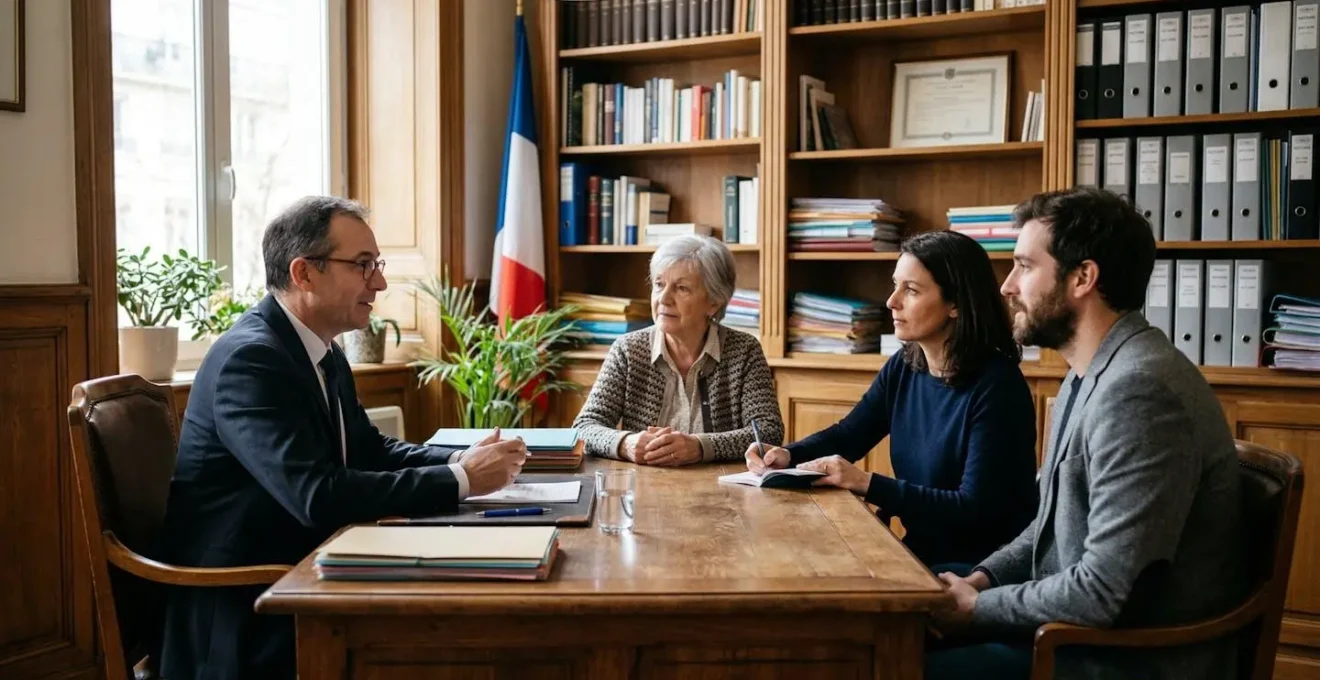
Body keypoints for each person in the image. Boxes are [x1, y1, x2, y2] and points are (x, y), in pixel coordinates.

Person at [156, 196, 528, 680]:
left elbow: (369, 450)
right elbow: (317, 496)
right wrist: (461, 479)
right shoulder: (251, 361)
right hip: (248, 609)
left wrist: (462, 457)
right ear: (303, 273)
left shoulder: (321, 349)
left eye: (378, 264)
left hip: (310, 571)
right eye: (363, 265)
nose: (380, 281)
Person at [927, 187, 1248, 680]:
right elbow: (1050, 524)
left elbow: (1101, 590)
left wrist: (976, 609)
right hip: (1070, 633)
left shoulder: (1139, 392)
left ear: (1082, 278)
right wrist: (980, 579)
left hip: (1120, 658)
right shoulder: (1090, 371)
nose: (1008, 286)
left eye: (1024, 266)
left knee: (889, 660)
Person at [745, 230, 1038, 572]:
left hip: (976, 571)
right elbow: (849, 434)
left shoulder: (998, 386)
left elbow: (974, 511)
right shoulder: (905, 365)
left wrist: (867, 484)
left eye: (911, 290)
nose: (891, 301)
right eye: (895, 285)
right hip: (916, 554)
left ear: (956, 303)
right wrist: (788, 455)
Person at [573, 234, 784, 465]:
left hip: (723, 489)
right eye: (659, 284)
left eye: (681, 288)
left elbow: (767, 431)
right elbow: (584, 428)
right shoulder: (628, 350)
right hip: (643, 488)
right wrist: (626, 443)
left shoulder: (744, 351)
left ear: (714, 302)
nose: (664, 299)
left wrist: (700, 447)